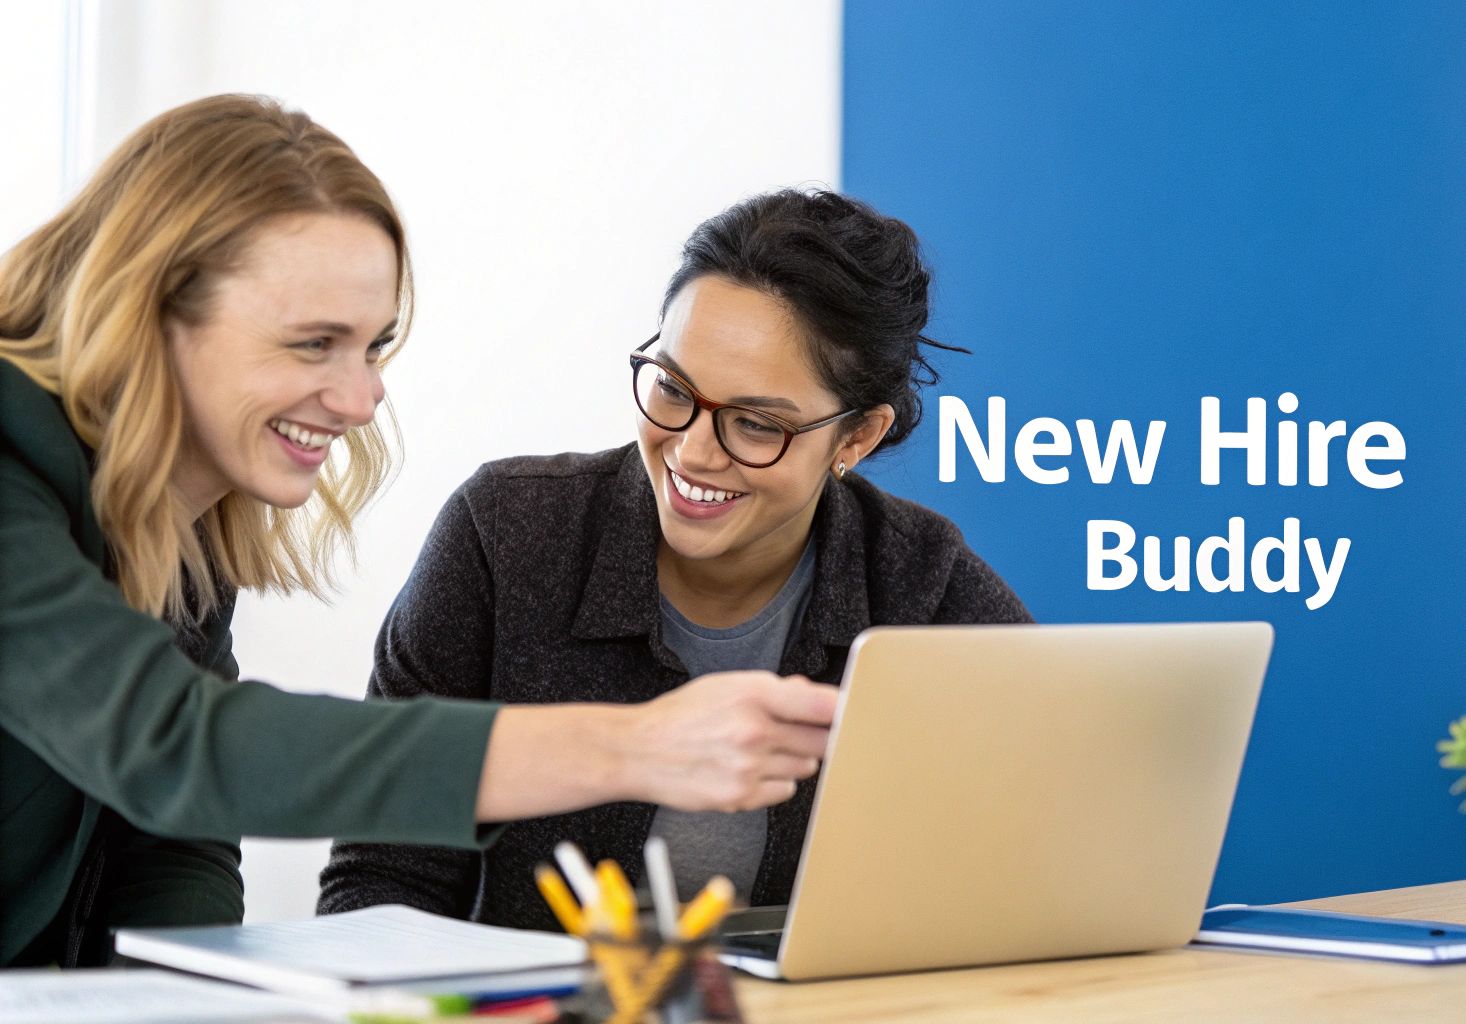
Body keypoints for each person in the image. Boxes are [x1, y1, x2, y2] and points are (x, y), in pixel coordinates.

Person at [0, 95, 835, 968]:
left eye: (373, 347)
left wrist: (182, 998)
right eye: (313, 344)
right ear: (153, 310)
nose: (361, 400)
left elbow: (173, 843)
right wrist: (633, 746)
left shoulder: (180, 524)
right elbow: (176, 749)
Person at [317, 188, 1032, 928]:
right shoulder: (505, 533)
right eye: (672, 388)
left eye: (756, 424)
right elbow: (381, 876)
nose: (692, 452)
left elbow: (1047, 856)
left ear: (856, 438)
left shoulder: (923, 587)